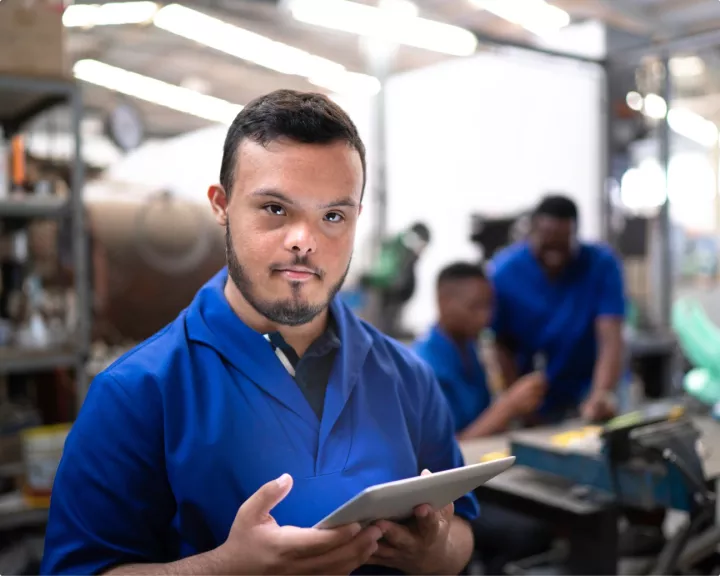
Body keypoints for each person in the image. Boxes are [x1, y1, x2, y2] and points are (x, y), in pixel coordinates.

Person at [41, 90, 477, 576]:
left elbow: (461, 533)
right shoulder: (136, 393)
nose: (304, 240)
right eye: (274, 209)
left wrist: (433, 552)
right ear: (221, 206)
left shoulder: (407, 377)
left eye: (333, 215)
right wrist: (222, 569)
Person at [412, 262, 552, 574]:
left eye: (490, 306)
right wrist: (508, 406)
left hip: (480, 479)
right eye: (476, 307)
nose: (487, 316)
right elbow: (444, 451)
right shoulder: (424, 365)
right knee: (528, 531)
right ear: (444, 303)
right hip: (447, 493)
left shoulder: (471, 352)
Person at [490, 195, 626, 424]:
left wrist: (601, 395)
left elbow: (610, 338)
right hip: (535, 394)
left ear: (575, 235)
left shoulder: (601, 265)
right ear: (531, 233)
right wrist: (517, 400)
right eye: (547, 244)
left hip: (588, 386)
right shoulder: (505, 272)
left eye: (563, 245)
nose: (554, 256)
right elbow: (501, 344)